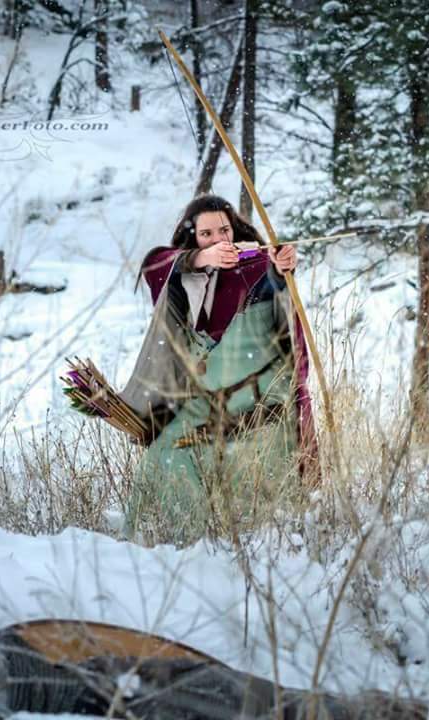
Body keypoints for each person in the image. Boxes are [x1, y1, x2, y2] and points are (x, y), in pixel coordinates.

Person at [120, 194, 318, 544]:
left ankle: (252, 537)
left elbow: (277, 297)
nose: (219, 240)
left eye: (224, 230)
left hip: (249, 395)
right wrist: (202, 258)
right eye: (206, 233)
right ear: (192, 237)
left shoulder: (254, 263)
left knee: (253, 466)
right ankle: (181, 539)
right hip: (197, 396)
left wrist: (280, 264)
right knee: (167, 454)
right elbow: (155, 264)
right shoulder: (181, 266)